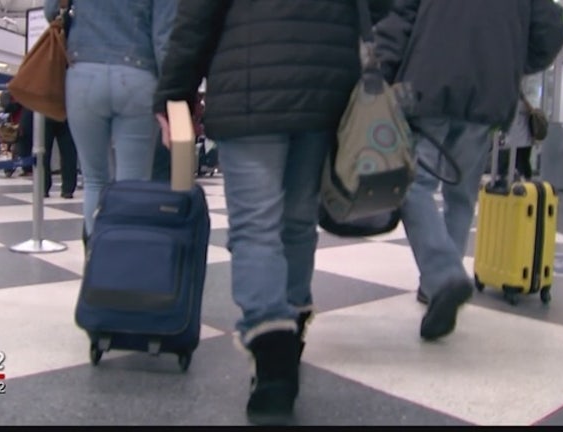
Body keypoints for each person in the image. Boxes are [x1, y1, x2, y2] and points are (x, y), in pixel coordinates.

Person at [153, 0, 391, 424]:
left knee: (255, 224)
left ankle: (271, 342)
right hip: (327, 84)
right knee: (298, 221)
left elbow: (196, 18)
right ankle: (292, 327)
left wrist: (175, 92)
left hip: (251, 83)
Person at [374, 0, 563, 340]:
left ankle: (443, 276)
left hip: (429, 83)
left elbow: (399, 20)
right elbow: (551, 30)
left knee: (414, 184)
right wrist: (511, 61)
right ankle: (437, 284)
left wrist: (383, 75)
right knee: (461, 195)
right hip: (489, 91)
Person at [44, 0, 179, 247]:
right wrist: (172, 93)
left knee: (95, 179)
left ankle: (97, 260)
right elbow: (164, 36)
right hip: (138, 75)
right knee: (133, 185)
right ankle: (125, 264)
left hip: (83, 71)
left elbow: (51, 10)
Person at [43, 118, 78, 199]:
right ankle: (68, 189)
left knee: (43, 153)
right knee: (69, 152)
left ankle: (43, 186)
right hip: (65, 113)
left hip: (44, 112)